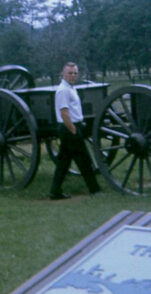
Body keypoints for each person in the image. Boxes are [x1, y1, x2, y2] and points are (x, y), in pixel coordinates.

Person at [49, 62, 101, 200]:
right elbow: (64, 113)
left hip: (72, 127)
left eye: (75, 73)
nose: (73, 76)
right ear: (63, 74)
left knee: (63, 162)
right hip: (69, 128)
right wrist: (73, 130)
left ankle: (55, 192)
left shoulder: (71, 88)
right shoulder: (63, 90)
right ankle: (95, 190)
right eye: (70, 73)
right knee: (83, 160)